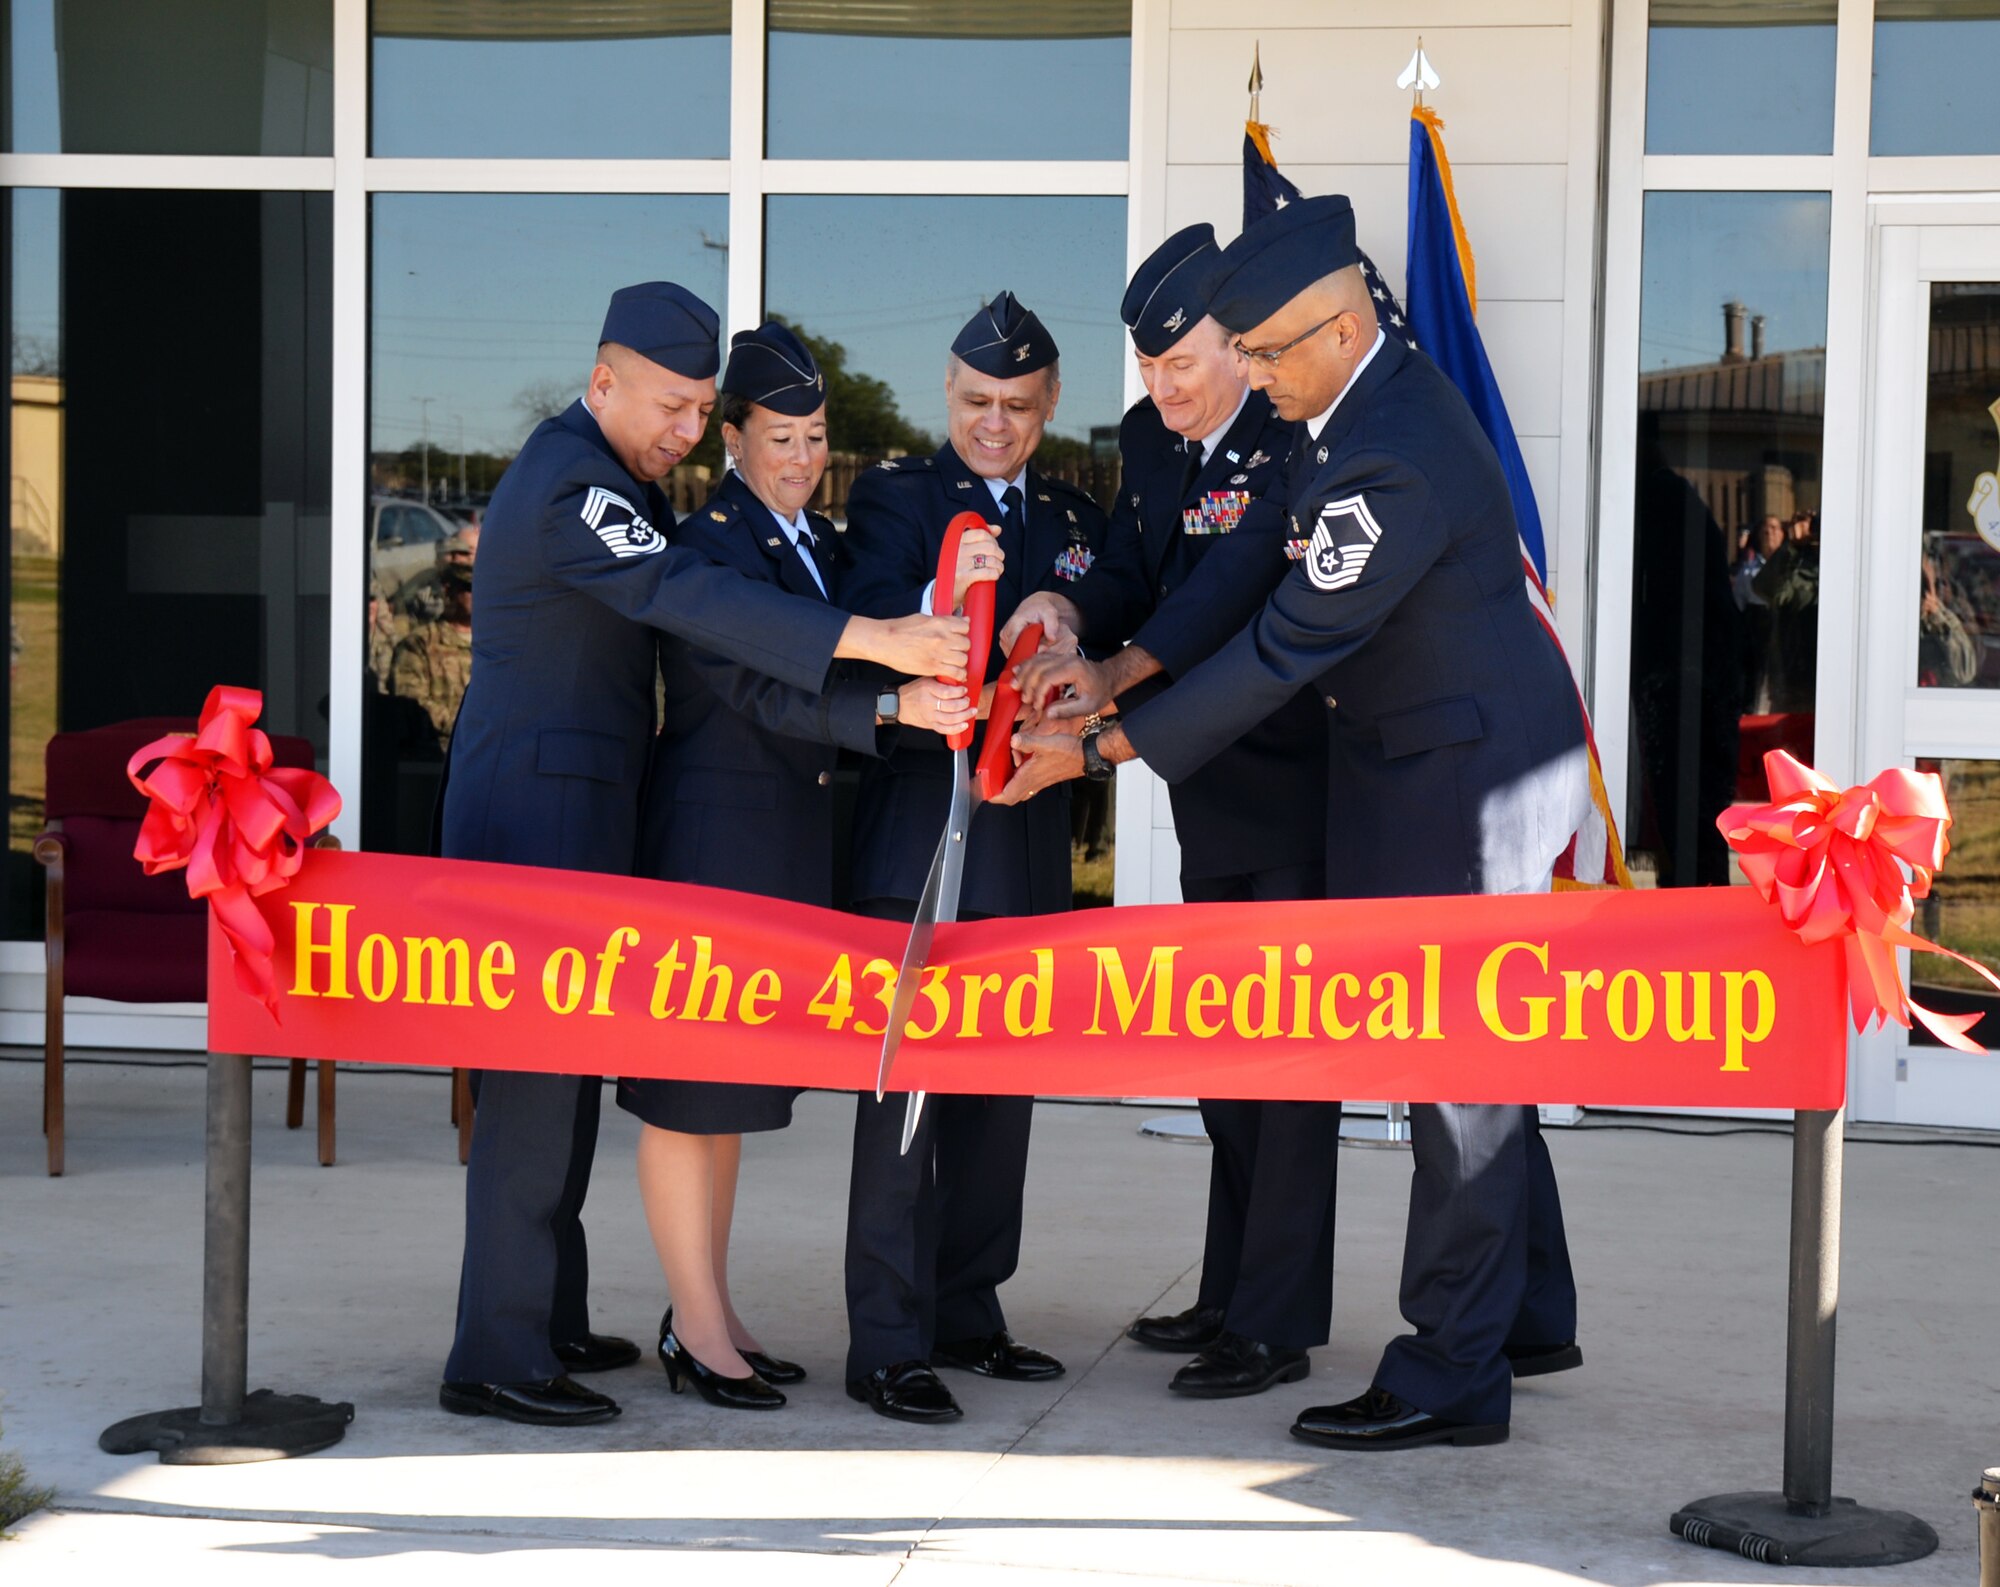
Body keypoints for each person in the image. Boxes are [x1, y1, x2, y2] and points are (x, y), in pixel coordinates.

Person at [999, 196, 1587, 1452]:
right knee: (1468, 1060)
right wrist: (1110, 669)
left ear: (1339, 328)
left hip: (1462, 780)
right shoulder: (1344, 412)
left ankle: (1450, 1371)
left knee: (1455, 1075)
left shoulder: (1390, 455)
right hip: (1410, 761)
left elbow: (1281, 645)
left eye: (1262, 353)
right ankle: (1523, 1316)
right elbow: (1236, 569)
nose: (1249, 375)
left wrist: (1099, 750)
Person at [439, 281, 970, 1429]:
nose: (684, 431)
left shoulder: (613, 477)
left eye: (696, 409)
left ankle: (546, 1317)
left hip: (584, 810)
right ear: (602, 382)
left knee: (566, 1090)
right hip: (535, 817)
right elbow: (682, 592)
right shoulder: (572, 482)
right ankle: (493, 1355)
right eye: (671, 408)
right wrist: (874, 641)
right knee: (531, 1095)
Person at [617, 322, 987, 1412]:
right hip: (711, 848)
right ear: (731, 438)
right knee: (685, 1092)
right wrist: (893, 704)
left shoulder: (810, 539)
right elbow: (755, 687)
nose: (802, 455)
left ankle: (711, 1313)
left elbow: (856, 646)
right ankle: (694, 1330)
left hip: (778, 852)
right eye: (779, 436)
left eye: (816, 435)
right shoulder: (709, 546)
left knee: (728, 1094)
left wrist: (942, 613)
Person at [1002, 224, 1338, 1401]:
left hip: (1294, 790)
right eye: (1147, 367)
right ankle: (1230, 1286)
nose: (1162, 388)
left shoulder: (1291, 438)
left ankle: (1275, 1322)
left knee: (1288, 1064)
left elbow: (1228, 592)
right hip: (1202, 786)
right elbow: (1132, 571)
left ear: (1239, 350)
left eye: (1180, 363)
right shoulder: (1150, 440)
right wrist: (1065, 615)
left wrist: (1110, 678)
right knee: (1225, 1054)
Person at [836, 291, 1108, 1424]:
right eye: (977, 400)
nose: (995, 422)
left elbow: (1109, 608)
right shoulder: (897, 496)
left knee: (1001, 1097)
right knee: (906, 1102)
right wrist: (944, 598)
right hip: (922, 835)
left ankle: (967, 1308)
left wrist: (1069, 614)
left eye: (1018, 404)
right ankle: (887, 1340)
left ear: (1050, 405)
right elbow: (861, 616)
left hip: (1026, 830)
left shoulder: (1072, 508)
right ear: (946, 394)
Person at [391, 526, 477, 748]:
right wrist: (472, 725)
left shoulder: (496, 645)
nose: (478, 594)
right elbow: (412, 705)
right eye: (468, 588)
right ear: (449, 591)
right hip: (440, 756)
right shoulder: (419, 644)